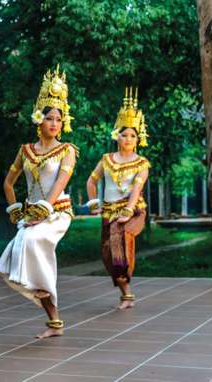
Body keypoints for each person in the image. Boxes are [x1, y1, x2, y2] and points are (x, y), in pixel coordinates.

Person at [0, 66, 77, 339]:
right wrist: (14, 209)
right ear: (38, 119)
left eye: (58, 119)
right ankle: (53, 319)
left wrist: (43, 211)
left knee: (32, 242)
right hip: (31, 214)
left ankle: (42, 287)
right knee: (19, 249)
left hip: (57, 212)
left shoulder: (68, 151)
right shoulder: (25, 151)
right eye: (49, 118)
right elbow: (8, 183)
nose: (54, 123)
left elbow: (58, 186)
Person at [86, 87, 150, 310]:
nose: (128, 139)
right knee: (107, 253)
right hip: (109, 211)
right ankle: (126, 294)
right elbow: (91, 182)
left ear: (138, 138)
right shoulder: (106, 160)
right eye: (124, 134)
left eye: (133, 135)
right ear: (117, 135)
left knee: (121, 245)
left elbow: (136, 189)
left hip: (133, 211)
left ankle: (127, 294)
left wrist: (128, 210)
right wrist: (94, 204)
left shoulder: (142, 163)